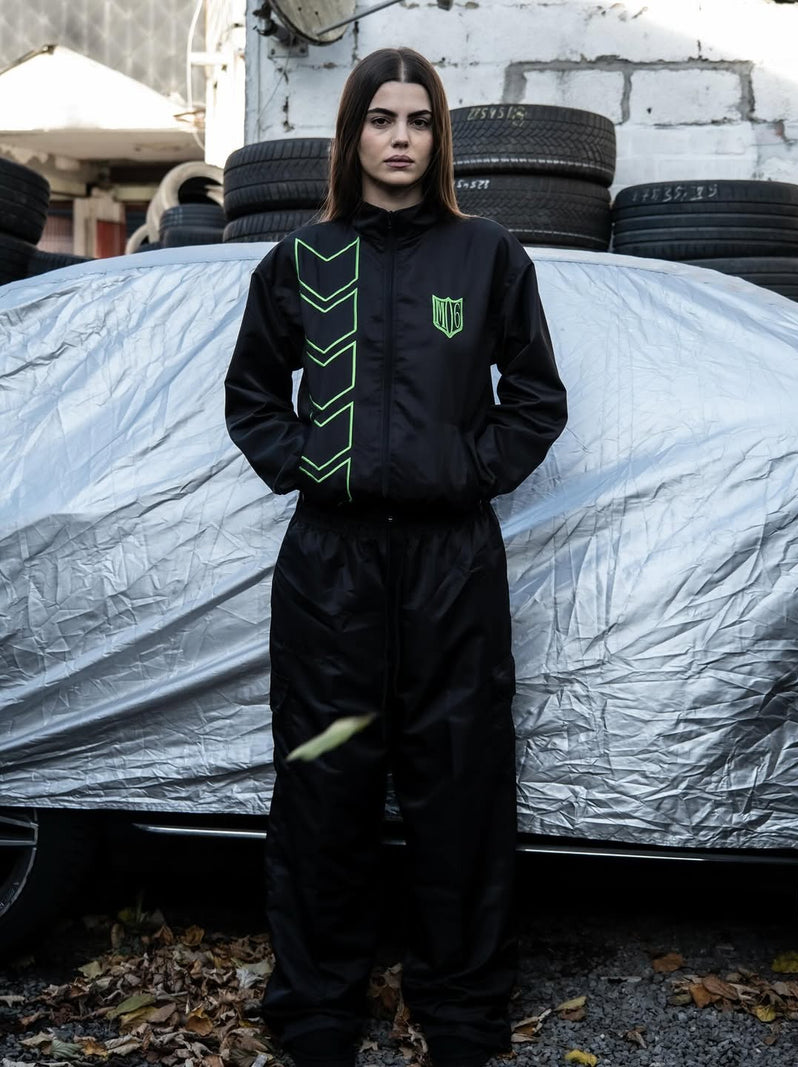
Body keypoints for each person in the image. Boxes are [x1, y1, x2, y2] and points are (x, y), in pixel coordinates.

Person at [225, 46, 567, 1067]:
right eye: (382, 119)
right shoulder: (298, 259)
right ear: (352, 134)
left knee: (456, 783)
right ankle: (319, 1005)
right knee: (325, 783)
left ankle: (459, 1006)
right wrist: (308, 464)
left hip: (450, 566)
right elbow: (250, 397)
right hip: (330, 569)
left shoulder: (485, 255)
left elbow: (536, 398)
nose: (401, 138)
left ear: (438, 137)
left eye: (418, 120)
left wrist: (467, 470)